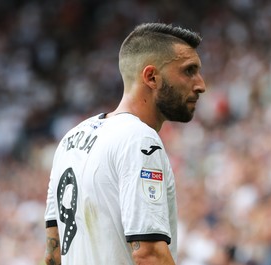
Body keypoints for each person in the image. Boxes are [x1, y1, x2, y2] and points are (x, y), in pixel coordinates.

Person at [44, 22, 206, 264]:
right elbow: (148, 254)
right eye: (189, 71)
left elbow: (53, 254)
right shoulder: (140, 139)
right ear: (151, 77)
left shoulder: (71, 138)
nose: (200, 85)